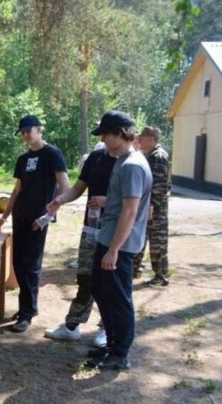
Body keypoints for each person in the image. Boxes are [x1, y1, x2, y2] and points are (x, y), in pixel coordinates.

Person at [87, 111, 151, 370]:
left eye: (106, 134)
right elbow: (124, 203)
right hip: (109, 238)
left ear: (120, 134)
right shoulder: (124, 161)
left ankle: (120, 353)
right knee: (101, 290)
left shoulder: (132, 165)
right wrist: (107, 201)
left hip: (119, 245)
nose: (102, 139)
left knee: (118, 298)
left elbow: (131, 211)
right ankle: (112, 345)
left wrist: (113, 250)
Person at [0, 115, 69, 333]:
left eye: (29, 130)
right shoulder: (23, 159)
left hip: (38, 219)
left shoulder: (52, 154)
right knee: (18, 264)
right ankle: (28, 307)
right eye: (23, 132)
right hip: (20, 216)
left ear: (39, 129)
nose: (26, 135)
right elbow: (17, 190)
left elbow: (64, 188)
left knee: (31, 266)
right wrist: (3, 217)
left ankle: (26, 314)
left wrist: (48, 216)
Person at [44, 142, 117, 345]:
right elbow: (78, 187)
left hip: (116, 233)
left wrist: (107, 201)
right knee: (85, 279)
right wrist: (60, 199)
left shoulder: (130, 162)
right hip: (91, 230)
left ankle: (107, 329)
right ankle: (71, 326)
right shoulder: (95, 158)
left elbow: (133, 202)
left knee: (110, 282)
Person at [133, 126, 171, 286]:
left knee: (157, 244)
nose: (139, 141)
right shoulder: (149, 155)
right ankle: (135, 271)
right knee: (140, 239)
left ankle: (161, 276)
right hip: (148, 206)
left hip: (156, 210)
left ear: (151, 139)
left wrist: (151, 206)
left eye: (142, 138)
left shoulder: (158, 157)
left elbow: (160, 186)